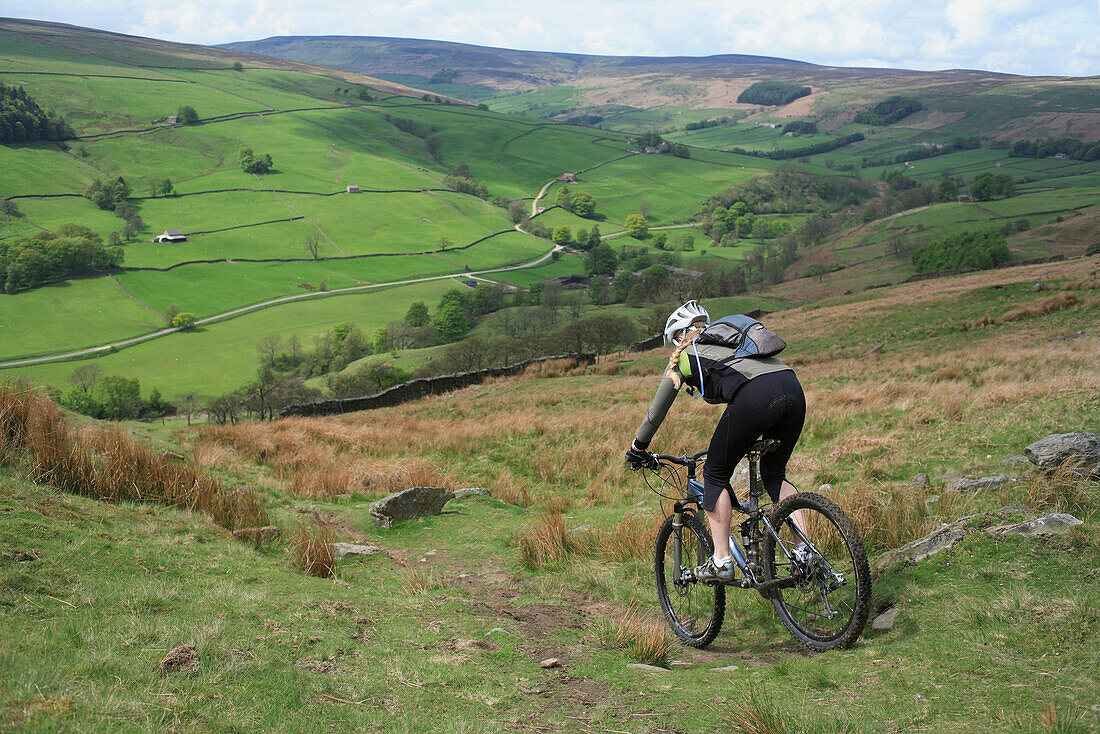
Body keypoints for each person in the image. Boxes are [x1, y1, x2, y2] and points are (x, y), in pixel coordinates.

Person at [625, 300, 807, 582]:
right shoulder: (733, 343)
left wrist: (638, 448)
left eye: (674, 341)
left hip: (756, 396)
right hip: (792, 386)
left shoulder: (686, 356)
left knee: (714, 472)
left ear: (678, 336)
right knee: (774, 475)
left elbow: (655, 414)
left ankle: (721, 560)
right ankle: (804, 551)